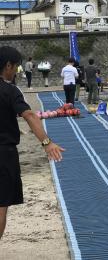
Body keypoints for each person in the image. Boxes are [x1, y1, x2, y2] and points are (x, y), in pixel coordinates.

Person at [0, 46, 64, 240]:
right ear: (8, 65)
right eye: (16, 67)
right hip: (3, 154)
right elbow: (28, 114)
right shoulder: (9, 90)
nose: (16, 71)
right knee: (1, 206)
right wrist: (47, 142)